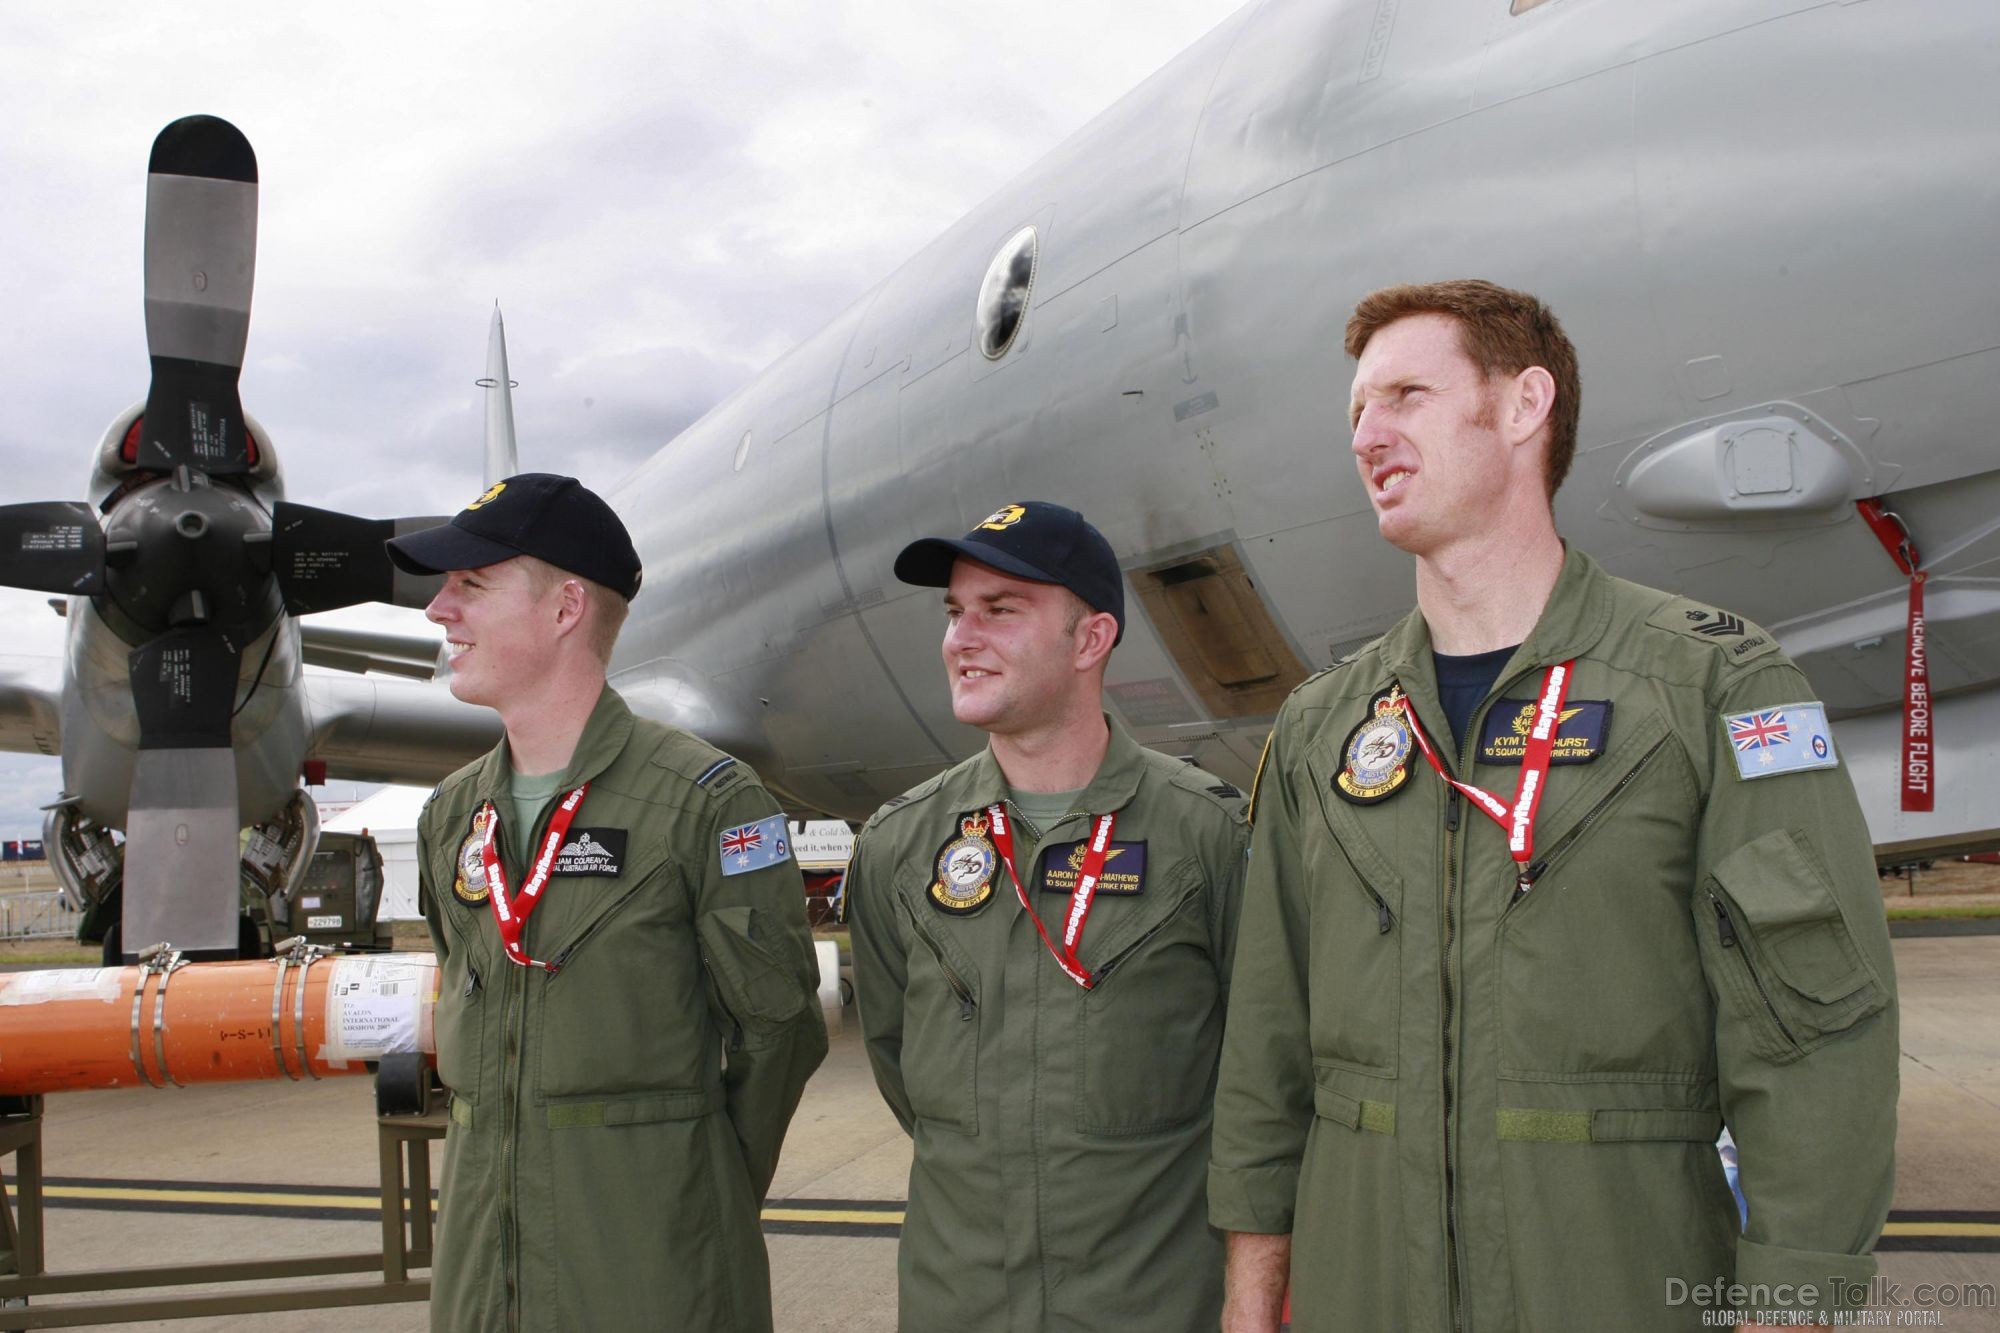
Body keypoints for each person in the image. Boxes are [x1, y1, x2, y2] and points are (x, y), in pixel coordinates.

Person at [1209, 282, 1898, 1333]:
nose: (1367, 436)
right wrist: (1252, 1298)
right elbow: (1266, 1044)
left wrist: (1792, 1303)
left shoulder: (1709, 685)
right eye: (1354, 411)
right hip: (1363, 1293)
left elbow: (1810, 1035)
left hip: (1614, 1281)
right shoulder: (1322, 726)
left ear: (1523, 404)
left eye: (1404, 394)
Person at [388, 473, 827, 1333]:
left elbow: (780, 1031)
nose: (439, 609)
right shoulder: (450, 818)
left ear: (564, 609)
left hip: (653, 1272)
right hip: (482, 1274)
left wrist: (686, 1184)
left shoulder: (708, 802)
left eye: (471, 584)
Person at [847, 501, 1250, 1331]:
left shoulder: (1205, 833)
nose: (962, 637)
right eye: (956, 612)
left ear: (1090, 640)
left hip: (1154, 1304)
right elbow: (896, 1059)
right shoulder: (901, 846)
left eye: (1000, 610)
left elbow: (1266, 1078)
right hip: (960, 1303)